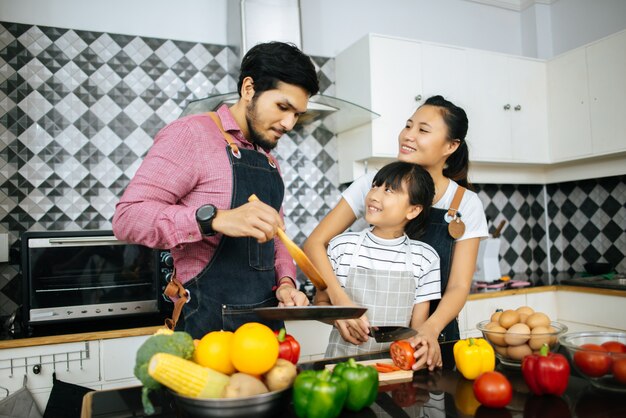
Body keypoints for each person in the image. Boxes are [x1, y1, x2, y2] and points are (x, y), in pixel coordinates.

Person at [112, 41, 319, 339]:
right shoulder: (191, 134)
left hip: (266, 332)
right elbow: (127, 219)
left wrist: (286, 282)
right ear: (249, 89)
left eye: (297, 114)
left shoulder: (268, 160)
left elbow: (277, 239)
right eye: (283, 107)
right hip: (206, 332)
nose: (289, 123)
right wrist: (213, 219)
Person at [304, 95, 488, 369]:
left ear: (451, 145)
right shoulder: (374, 183)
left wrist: (429, 330)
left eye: (423, 130)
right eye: (408, 125)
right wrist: (342, 304)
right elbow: (314, 243)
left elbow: (459, 286)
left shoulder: (465, 203)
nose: (408, 135)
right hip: (368, 339)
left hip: (433, 339)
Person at [322, 161, 441, 358]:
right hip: (341, 365)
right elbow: (320, 303)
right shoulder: (341, 247)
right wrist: (338, 318)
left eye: (389, 190)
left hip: (396, 367)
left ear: (413, 210)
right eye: (375, 186)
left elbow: (418, 329)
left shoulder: (425, 258)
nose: (374, 195)